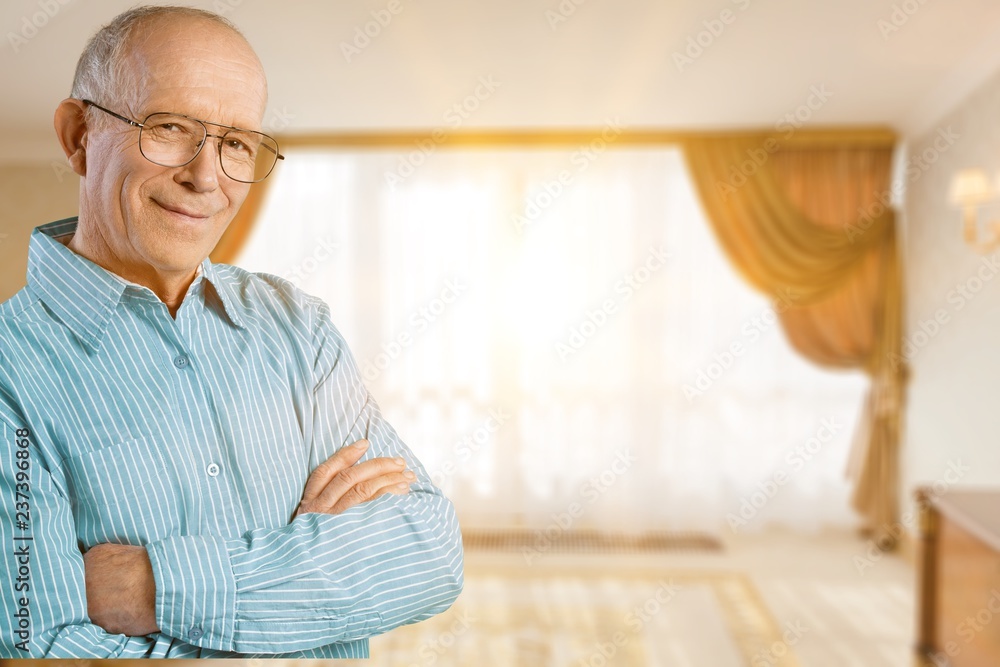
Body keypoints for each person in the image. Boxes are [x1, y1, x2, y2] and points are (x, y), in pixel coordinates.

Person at [0, 5, 463, 659]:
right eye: (168, 128)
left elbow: (425, 550)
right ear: (78, 135)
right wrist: (308, 579)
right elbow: (38, 645)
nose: (207, 175)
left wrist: (151, 587)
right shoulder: (7, 375)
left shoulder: (298, 328)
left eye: (236, 142)